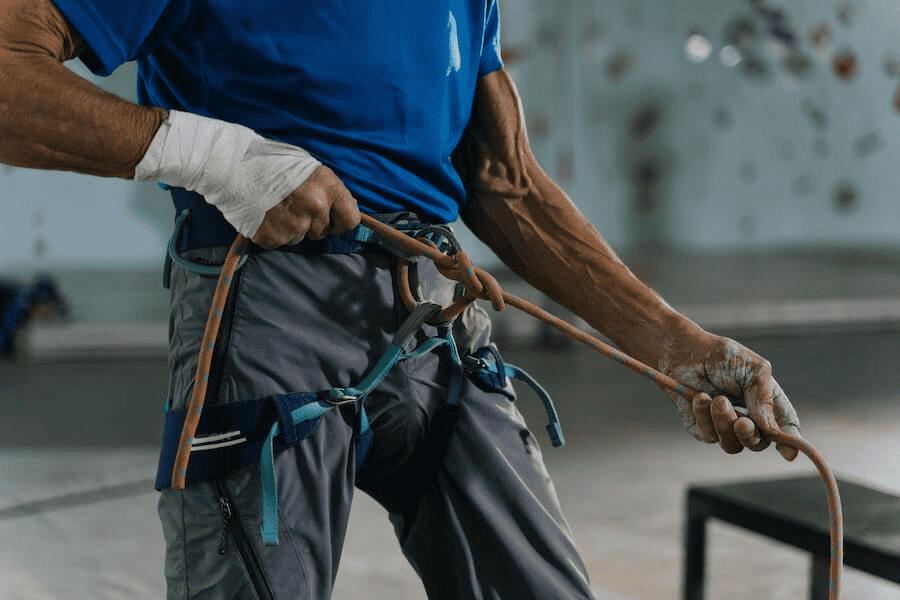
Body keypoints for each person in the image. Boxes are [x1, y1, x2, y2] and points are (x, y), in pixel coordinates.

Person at [0, 0, 802, 598]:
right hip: (267, 304)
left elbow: (504, 182)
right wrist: (217, 156)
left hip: (438, 318)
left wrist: (680, 347)